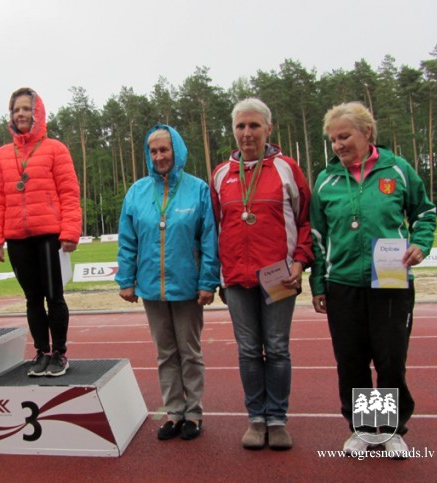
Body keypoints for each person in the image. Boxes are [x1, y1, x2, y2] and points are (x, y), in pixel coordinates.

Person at [310, 101, 437, 457]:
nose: (338, 145)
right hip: (343, 284)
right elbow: (317, 238)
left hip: (391, 282)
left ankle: (391, 431)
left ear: (367, 132)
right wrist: (318, 284)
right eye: (333, 139)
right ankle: (365, 429)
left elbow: (424, 213)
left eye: (344, 136)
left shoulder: (397, 170)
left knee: (389, 359)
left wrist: (420, 244)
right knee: (352, 361)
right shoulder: (326, 180)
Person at [211, 98, 313, 450]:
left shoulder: (286, 168)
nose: (247, 133)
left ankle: (277, 419)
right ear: (233, 130)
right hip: (237, 279)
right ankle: (256, 418)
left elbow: (305, 221)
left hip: (278, 277)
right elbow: (214, 228)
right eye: (241, 126)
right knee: (249, 350)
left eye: (254, 125)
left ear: (269, 129)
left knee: (278, 348)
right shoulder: (221, 174)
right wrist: (218, 276)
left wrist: (299, 262)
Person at [116, 125, 220, 441]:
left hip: (188, 287)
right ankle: (174, 412)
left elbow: (209, 239)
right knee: (165, 354)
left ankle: (193, 414)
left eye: (165, 149)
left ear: (177, 150)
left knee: (189, 352)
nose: (159, 156)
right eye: (154, 151)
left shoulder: (198, 189)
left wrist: (208, 281)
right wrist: (126, 279)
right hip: (151, 287)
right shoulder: (137, 192)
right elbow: (128, 240)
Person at [0, 87, 81, 377]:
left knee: (54, 296)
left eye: (26, 109)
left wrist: (70, 231)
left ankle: (59, 353)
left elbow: (69, 193)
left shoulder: (55, 148)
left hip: (49, 235)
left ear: (37, 113)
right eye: (16, 110)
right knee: (32, 299)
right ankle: (42, 352)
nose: (21, 114)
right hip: (17, 237)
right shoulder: (3, 155)